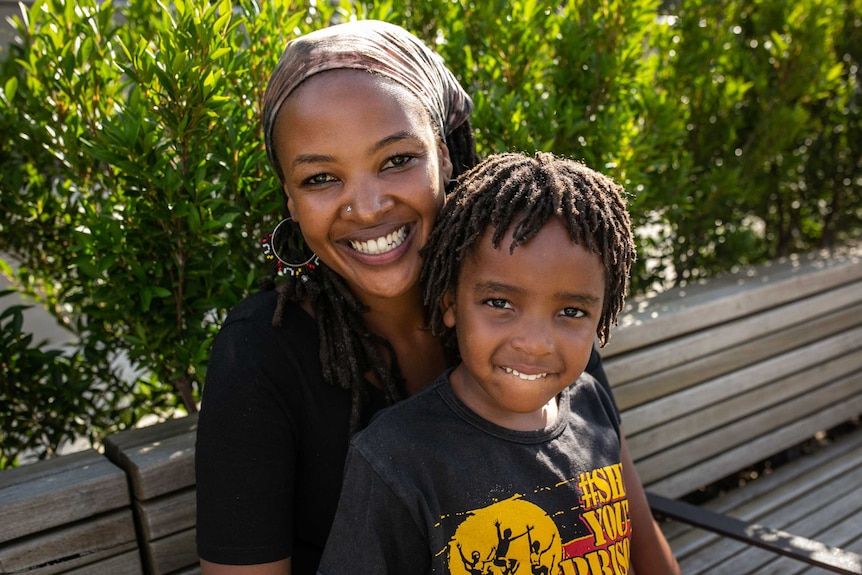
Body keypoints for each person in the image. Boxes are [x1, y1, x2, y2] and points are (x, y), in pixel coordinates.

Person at [194, 20, 679, 575]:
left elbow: (625, 519)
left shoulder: (534, 298)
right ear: (291, 198)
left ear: (444, 158)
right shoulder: (260, 353)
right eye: (321, 178)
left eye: (397, 160)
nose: (369, 206)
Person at [316, 152, 668, 575]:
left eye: (571, 311)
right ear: (450, 303)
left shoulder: (592, 404)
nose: (536, 344)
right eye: (499, 303)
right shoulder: (398, 459)